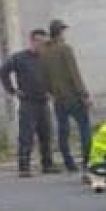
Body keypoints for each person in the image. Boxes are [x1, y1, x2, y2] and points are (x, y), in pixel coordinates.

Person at [0, 29, 55, 177]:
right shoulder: (19, 58)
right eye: (40, 42)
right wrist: (12, 90)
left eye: (44, 43)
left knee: (46, 135)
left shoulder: (45, 58)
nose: (42, 45)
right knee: (26, 136)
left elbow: (51, 76)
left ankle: (47, 165)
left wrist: (51, 91)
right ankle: (24, 167)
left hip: (43, 101)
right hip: (28, 102)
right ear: (32, 41)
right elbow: (3, 71)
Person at [41, 19, 93, 179]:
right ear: (60, 32)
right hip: (73, 96)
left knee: (63, 131)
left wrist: (51, 91)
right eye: (64, 31)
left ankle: (69, 162)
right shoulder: (65, 49)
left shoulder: (45, 52)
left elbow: (44, 77)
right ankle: (87, 160)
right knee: (85, 128)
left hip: (58, 98)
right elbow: (74, 73)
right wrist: (84, 95)